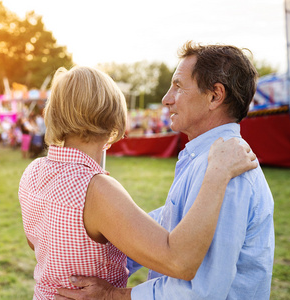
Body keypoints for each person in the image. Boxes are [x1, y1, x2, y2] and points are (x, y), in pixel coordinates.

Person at [56, 42, 275, 300]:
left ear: (215, 95)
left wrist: (111, 296)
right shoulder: (206, 158)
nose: (166, 98)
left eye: (178, 86)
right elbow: (167, 223)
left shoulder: (227, 169)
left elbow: (201, 292)